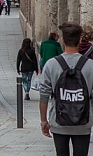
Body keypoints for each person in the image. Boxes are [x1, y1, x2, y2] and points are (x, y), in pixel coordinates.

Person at [39, 22, 93, 155]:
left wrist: (44, 121)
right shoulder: (91, 65)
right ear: (80, 40)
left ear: (62, 40)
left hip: (59, 122)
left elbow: (44, 95)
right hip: (83, 122)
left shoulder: (51, 65)